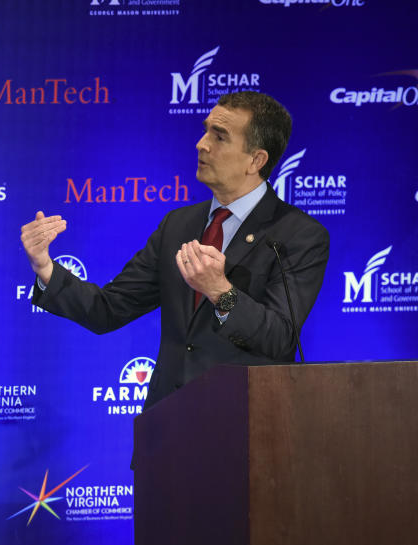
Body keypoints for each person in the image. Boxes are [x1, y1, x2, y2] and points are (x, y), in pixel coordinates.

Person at [21, 91, 329, 413]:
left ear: (256, 160)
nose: (201, 143)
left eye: (219, 136)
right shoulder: (178, 225)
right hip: (167, 432)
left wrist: (220, 291)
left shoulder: (298, 235)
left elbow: (279, 338)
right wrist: (45, 268)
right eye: (206, 129)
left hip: (248, 431)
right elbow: (108, 309)